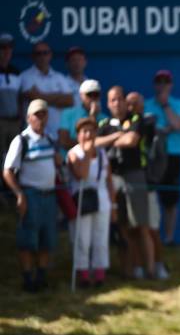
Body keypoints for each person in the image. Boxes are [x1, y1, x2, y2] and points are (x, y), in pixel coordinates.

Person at [96, 86, 155, 279]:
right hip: (113, 176)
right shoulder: (104, 122)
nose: (117, 103)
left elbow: (131, 140)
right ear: (108, 103)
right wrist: (116, 136)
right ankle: (130, 270)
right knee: (122, 226)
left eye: (120, 98)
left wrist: (109, 141)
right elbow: (94, 143)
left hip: (134, 174)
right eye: (112, 99)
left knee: (141, 225)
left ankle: (151, 270)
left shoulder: (137, 118)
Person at [3, 100, 60, 292]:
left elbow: (58, 165)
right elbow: (7, 171)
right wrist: (19, 194)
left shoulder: (51, 139)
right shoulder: (21, 141)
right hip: (30, 195)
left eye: (44, 114)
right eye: (37, 115)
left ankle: (41, 277)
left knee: (47, 239)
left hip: (50, 196)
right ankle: (28, 279)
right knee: (27, 240)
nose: (41, 119)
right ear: (29, 118)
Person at [126, 91, 169, 280]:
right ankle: (137, 267)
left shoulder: (152, 128)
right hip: (130, 184)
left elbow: (161, 159)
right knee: (133, 229)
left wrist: (153, 179)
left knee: (151, 229)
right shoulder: (124, 127)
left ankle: (157, 266)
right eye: (129, 103)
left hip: (148, 186)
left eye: (136, 103)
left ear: (142, 105)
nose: (131, 107)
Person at [67, 118, 115, 287]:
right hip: (82, 199)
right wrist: (87, 153)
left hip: (101, 199)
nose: (88, 135)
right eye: (84, 131)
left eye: (91, 131)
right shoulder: (73, 153)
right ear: (78, 134)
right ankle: (84, 274)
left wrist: (113, 204)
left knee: (100, 237)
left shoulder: (102, 153)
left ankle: (100, 273)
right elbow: (82, 174)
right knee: (82, 237)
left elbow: (109, 180)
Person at [144, 70, 180, 246]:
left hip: (173, 154)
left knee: (171, 200)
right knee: (151, 197)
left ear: (171, 85)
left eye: (166, 82)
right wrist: (162, 129)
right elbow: (146, 127)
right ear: (155, 84)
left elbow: (178, 124)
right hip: (152, 155)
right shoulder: (146, 104)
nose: (162, 85)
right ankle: (151, 236)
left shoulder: (178, 104)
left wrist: (165, 106)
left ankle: (168, 238)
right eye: (159, 82)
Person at [19, 42, 73, 139]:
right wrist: (58, 97)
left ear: (50, 55)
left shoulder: (59, 77)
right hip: (32, 135)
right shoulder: (25, 76)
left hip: (56, 133)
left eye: (45, 53)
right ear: (33, 56)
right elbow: (33, 97)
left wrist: (41, 95)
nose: (42, 56)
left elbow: (69, 100)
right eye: (38, 53)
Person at [58, 79, 106, 152]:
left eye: (96, 94)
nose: (93, 98)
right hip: (70, 161)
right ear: (81, 95)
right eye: (89, 94)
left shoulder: (104, 118)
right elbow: (64, 142)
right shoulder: (67, 113)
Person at [0, 33, 22, 162]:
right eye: (3, 48)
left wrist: (19, 119)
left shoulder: (16, 72)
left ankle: (10, 182)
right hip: (0, 122)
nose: (6, 52)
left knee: (13, 157)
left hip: (14, 122)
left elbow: (19, 97)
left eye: (9, 48)